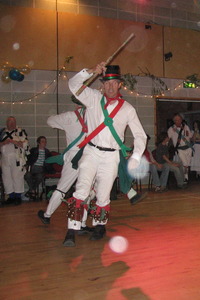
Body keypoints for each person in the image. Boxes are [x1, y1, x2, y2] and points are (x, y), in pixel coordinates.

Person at [63, 62, 147, 247]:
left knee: (103, 194)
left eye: (114, 83)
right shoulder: (92, 98)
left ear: (119, 84)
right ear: (102, 84)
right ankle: (71, 230)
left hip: (112, 157)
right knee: (82, 189)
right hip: (91, 152)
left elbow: (140, 135)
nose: (110, 87)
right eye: (107, 83)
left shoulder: (128, 109)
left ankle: (100, 226)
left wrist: (135, 156)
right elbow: (73, 85)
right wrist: (91, 71)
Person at [37, 98, 88, 228]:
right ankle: (82, 222)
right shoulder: (93, 117)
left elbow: (50, 121)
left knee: (61, 189)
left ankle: (47, 215)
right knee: (86, 190)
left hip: (73, 157)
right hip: (89, 157)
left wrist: (60, 118)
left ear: (76, 104)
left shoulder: (69, 116)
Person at [0, 116, 29, 205]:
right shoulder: (2, 132)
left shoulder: (20, 132)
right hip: (5, 158)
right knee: (6, 177)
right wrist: (4, 142)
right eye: (10, 122)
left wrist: (12, 141)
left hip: (16, 158)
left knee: (17, 177)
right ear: (7, 123)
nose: (12, 124)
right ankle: (11, 196)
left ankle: (18, 196)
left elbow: (25, 144)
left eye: (13, 122)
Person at [24, 136, 52, 200]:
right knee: (27, 175)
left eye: (45, 142)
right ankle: (33, 190)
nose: (44, 143)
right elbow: (28, 159)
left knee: (40, 176)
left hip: (41, 169)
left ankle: (31, 191)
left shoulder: (47, 152)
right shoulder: (33, 150)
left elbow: (49, 163)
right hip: (33, 167)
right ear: (38, 143)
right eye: (42, 141)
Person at [167, 113, 193, 182]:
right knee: (184, 163)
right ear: (174, 121)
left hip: (188, 147)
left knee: (187, 163)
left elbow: (190, 136)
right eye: (176, 120)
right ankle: (185, 177)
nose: (178, 121)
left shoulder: (186, 126)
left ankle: (186, 176)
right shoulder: (171, 129)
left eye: (179, 120)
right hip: (179, 148)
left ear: (181, 120)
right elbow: (168, 139)